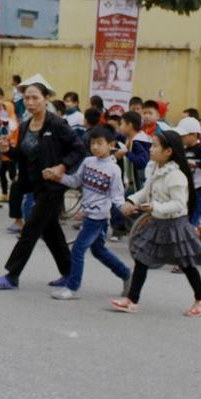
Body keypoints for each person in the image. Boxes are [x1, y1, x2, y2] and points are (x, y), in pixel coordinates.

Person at [0, 79, 85, 289]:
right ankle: (69, 272)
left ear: (47, 99)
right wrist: (8, 151)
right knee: (50, 231)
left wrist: (62, 167)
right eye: (27, 98)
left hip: (53, 186)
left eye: (35, 98)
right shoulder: (25, 126)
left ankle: (12, 275)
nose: (31, 102)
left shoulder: (56, 124)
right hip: (34, 185)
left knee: (31, 228)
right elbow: (24, 157)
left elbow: (79, 149)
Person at [110, 130, 201, 316]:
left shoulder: (176, 176)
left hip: (175, 226)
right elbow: (145, 191)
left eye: (155, 146)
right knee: (142, 259)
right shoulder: (156, 169)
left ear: (168, 151)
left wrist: (155, 206)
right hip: (158, 223)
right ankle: (132, 300)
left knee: (186, 264)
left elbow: (179, 205)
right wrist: (132, 202)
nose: (151, 149)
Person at [49, 126, 134, 300]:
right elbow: (75, 181)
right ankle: (126, 274)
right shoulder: (88, 162)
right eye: (93, 143)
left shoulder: (114, 169)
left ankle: (72, 288)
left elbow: (116, 196)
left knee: (78, 250)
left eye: (99, 143)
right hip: (89, 215)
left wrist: (125, 207)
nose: (95, 147)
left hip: (98, 218)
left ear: (110, 145)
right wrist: (57, 176)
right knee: (98, 251)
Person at [176, 116, 201, 228]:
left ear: (194, 135)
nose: (181, 138)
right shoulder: (183, 150)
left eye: (183, 136)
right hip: (187, 190)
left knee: (194, 223)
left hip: (200, 191)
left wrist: (197, 164)